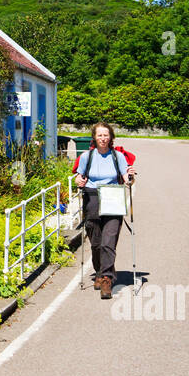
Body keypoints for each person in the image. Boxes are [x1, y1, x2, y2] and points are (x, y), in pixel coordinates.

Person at [73, 121, 135, 300]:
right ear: (94, 137)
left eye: (106, 135)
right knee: (96, 243)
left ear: (111, 137)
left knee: (109, 241)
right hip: (92, 198)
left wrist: (130, 178)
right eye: (99, 135)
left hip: (113, 198)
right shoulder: (87, 156)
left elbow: (127, 179)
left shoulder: (118, 156)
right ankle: (99, 272)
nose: (103, 138)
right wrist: (79, 181)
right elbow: (79, 176)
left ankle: (107, 278)